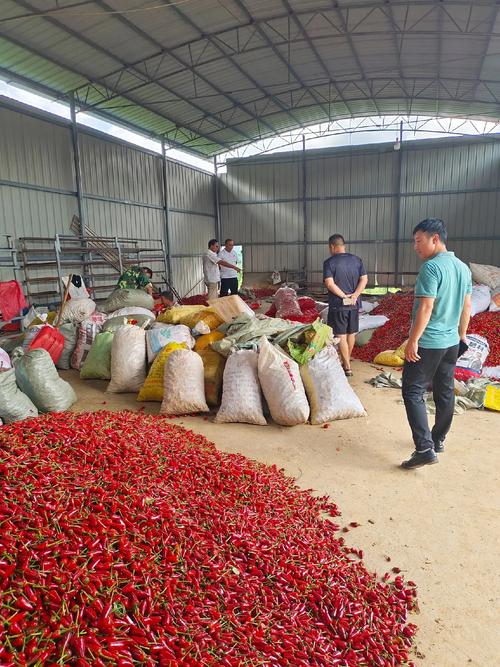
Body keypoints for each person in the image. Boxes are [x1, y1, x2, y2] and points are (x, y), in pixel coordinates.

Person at [401, 218, 472, 470]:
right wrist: (462, 335)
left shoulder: (431, 268)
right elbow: (466, 307)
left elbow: (426, 306)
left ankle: (424, 448)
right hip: (451, 341)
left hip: (430, 342)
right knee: (444, 390)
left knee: (412, 390)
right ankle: (438, 439)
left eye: (418, 241)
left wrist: (413, 340)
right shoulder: (462, 268)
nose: (416, 247)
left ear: (435, 239)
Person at [323, 234, 368, 376]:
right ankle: (346, 361)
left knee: (341, 334)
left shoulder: (329, 262)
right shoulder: (357, 260)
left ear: (331, 246)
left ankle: (347, 367)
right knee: (351, 333)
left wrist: (343, 296)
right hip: (354, 304)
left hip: (338, 305)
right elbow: (364, 279)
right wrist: (354, 295)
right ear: (343, 245)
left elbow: (330, 283)